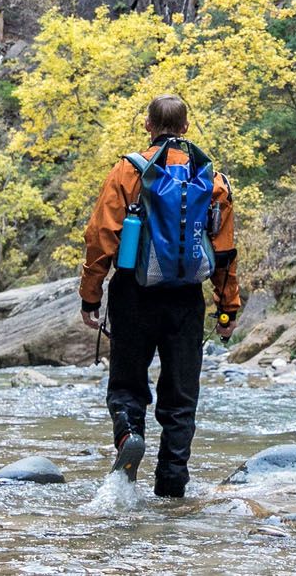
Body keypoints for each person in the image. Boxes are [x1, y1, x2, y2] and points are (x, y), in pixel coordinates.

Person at [78, 94, 241, 498]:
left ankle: (130, 434)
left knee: (127, 386)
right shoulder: (211, 178)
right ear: (185, 128)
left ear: (148, 127)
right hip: (186, 298)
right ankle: (171, 486)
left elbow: (101, 237)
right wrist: (227, 307)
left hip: (133, 292)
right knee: (181, 395)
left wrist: (90, 296)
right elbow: (223, 251)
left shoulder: (128, 171)